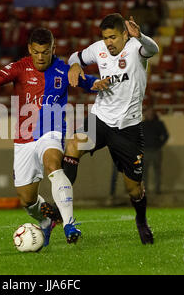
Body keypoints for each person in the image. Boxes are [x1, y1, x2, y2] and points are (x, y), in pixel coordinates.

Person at [0, 27, 107, 246]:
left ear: (53, 49)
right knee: (26, 199)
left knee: (53, 164)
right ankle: (46, 221)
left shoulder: (63, 70)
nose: (40, 57)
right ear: (29, 49)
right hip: (24, 137)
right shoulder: (19, 67)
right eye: (36, 52)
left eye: (45, 52)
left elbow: (87, 81)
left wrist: (97, 83)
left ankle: (69, 223)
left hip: (52, 131)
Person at [58, 13, 159, 245]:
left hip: (128, 128)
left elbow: (153, 50)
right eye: (105, 38)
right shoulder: (99, 48)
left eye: (113, 37)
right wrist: (74, 65)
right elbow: (76, 56)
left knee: (134, 189)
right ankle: (61, 212)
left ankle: (141, 220)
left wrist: (140, 35)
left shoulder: (137, 47)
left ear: (125, 34)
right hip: (100, 120)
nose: (108, 43)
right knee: (73, 145)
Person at [141, 106, 169, 195]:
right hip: (145, 151)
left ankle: (157, 190)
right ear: (145, 114)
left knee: (157, 171)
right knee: (144, 172)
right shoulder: (142, 125)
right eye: (147, 112)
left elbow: (166, 135)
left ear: (153, 113)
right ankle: (145, 190)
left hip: (156, 151)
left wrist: (159, 145)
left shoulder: (159, 123)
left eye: (151, 112)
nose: (149, 114)